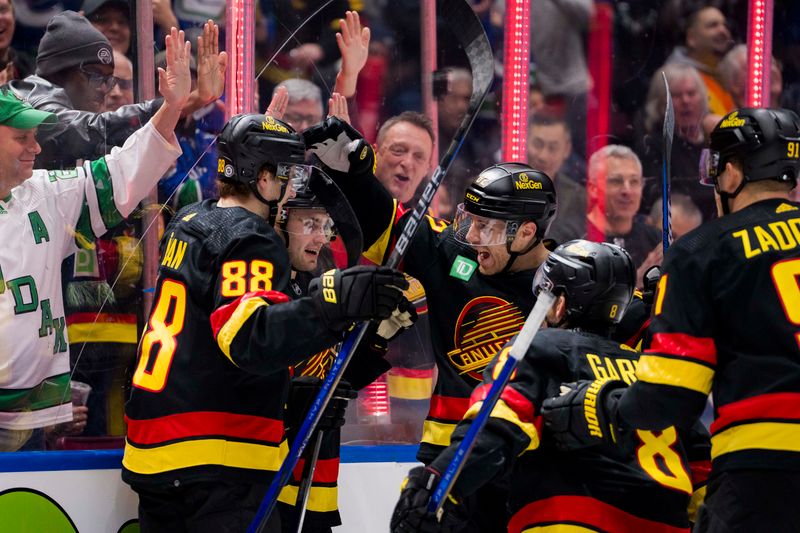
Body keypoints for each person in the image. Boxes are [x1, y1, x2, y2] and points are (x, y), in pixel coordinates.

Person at [121, 112, 409, 532]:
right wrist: (331, 305)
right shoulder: (252, 237)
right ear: (263, 178)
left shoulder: (190, 220)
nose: (291, 185)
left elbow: (201, 341)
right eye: (287, 173)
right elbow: (248, 339)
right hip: (216, 459)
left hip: (155, 452)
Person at [541, 107, 800, 530]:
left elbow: (672, 395)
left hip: (762, 471)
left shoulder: (704, 251)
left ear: (731, 174)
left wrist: (601, 406)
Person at [304, 116, 558, 532]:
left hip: (530, 464)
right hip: (449, 463)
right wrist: (354, 176)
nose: (472, 236)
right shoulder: (452, 253)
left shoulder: (570, 280)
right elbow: (389, 223)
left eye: (486, 227)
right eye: (470, 220)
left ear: (526, 232)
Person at [392, 240, 709, 532]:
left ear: (558, 305)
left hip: (571, 522)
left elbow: (494, 430)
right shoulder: (654, 375)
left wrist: (437, 484)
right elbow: (704, 472)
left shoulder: (538, 349)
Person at [0, 26, 190, 452]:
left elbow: (124, 170)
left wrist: (173, 107)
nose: (35, 146)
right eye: (21, 137)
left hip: (33, 413)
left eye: (34, 135)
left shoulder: (47, 191)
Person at [8, 12, 226, 168]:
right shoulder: (29, 99)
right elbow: (87, 129)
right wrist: (176, 104)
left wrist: (195, 99)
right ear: (59, 71)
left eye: (108, 79)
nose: (104, 89)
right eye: (94, 75)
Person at [586, 144, 661, 278]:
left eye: (634, 181)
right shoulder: (572, 241)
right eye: (616, 181)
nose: (627, 190)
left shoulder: (656, 241)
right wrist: (637, 281)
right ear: (593, 189)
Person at [526, 112, 585, 244]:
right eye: (538, 144)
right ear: (524, 142)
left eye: (553, 148)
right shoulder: (495, 186)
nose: (543, 156)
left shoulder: (580, 199)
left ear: (567, 150)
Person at [665, 4, 734, 116]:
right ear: (691, 38)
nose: (723, 31)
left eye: (725, 25)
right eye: (713, 25)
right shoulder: (673, 79)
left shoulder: (726, 76)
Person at [374, 111, 435, 206]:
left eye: (418, 157)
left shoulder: (426, 218)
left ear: (427, 169)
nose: (408, 163)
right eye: (399, 150)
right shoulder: (347, 196)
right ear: (375, 152)